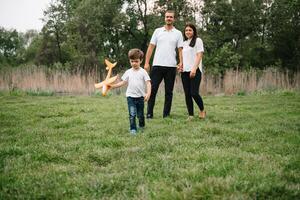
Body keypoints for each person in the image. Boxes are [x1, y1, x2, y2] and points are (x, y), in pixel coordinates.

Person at [144, 10, 183, 118]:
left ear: (174, 19)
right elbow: (151, 47)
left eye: (171, 17)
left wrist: (181, 62)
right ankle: (149, 113)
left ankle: (166, 115)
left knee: (169, 92)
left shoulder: (178, 33)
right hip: (157, 65)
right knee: (152, 90)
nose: (169, 18)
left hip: (171, 67)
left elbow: (180, 50)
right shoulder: (157, 31)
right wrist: (147, 62)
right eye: (167, 17)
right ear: (164, 18)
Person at [109, 49, 151, 135]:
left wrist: (148, 93)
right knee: (132, 114)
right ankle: (133, 129)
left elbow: (148, 83)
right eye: (132, 61)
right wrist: (112, 86)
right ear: (129, 61)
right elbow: (123, 82)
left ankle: (142, 126)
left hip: (140, 97)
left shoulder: (143, 72)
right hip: (130, 97)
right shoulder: (128, 72)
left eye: (136, 61)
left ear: (141, 61)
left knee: (140, 115)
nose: (134, 63)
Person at [178, 23, 206, 120]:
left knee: (194, 93)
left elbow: (199, 55)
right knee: (187, 94)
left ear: (194, 31)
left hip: (195, 70)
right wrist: (180, 65)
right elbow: (183, 58)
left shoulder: (198, 41)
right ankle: (191, 115)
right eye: (186, 30)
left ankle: (202, 110)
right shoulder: (184, 43)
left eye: (190, 30)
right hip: (184, 72)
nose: (188, 32)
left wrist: (194, 68)